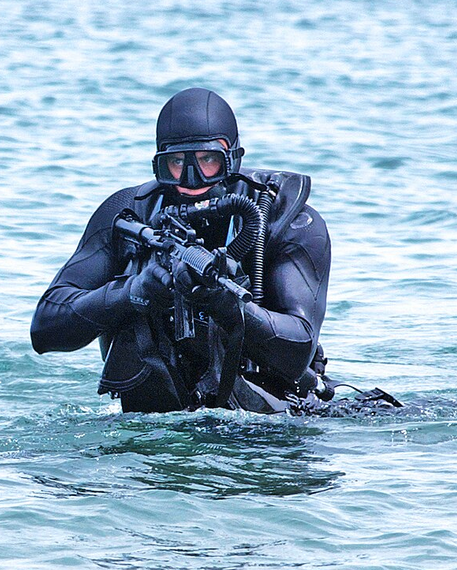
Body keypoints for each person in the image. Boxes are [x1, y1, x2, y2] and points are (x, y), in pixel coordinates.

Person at [30, 88, 331, 413]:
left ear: (232, 158)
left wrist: (228, 306)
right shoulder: (128, 215)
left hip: (267, 422)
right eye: (177, 162)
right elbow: (46, 330)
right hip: (155, 427)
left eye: (208, 161)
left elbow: (298, 347)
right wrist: (133, 292)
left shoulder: (286, 219)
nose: (192, 178)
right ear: (159, 162)